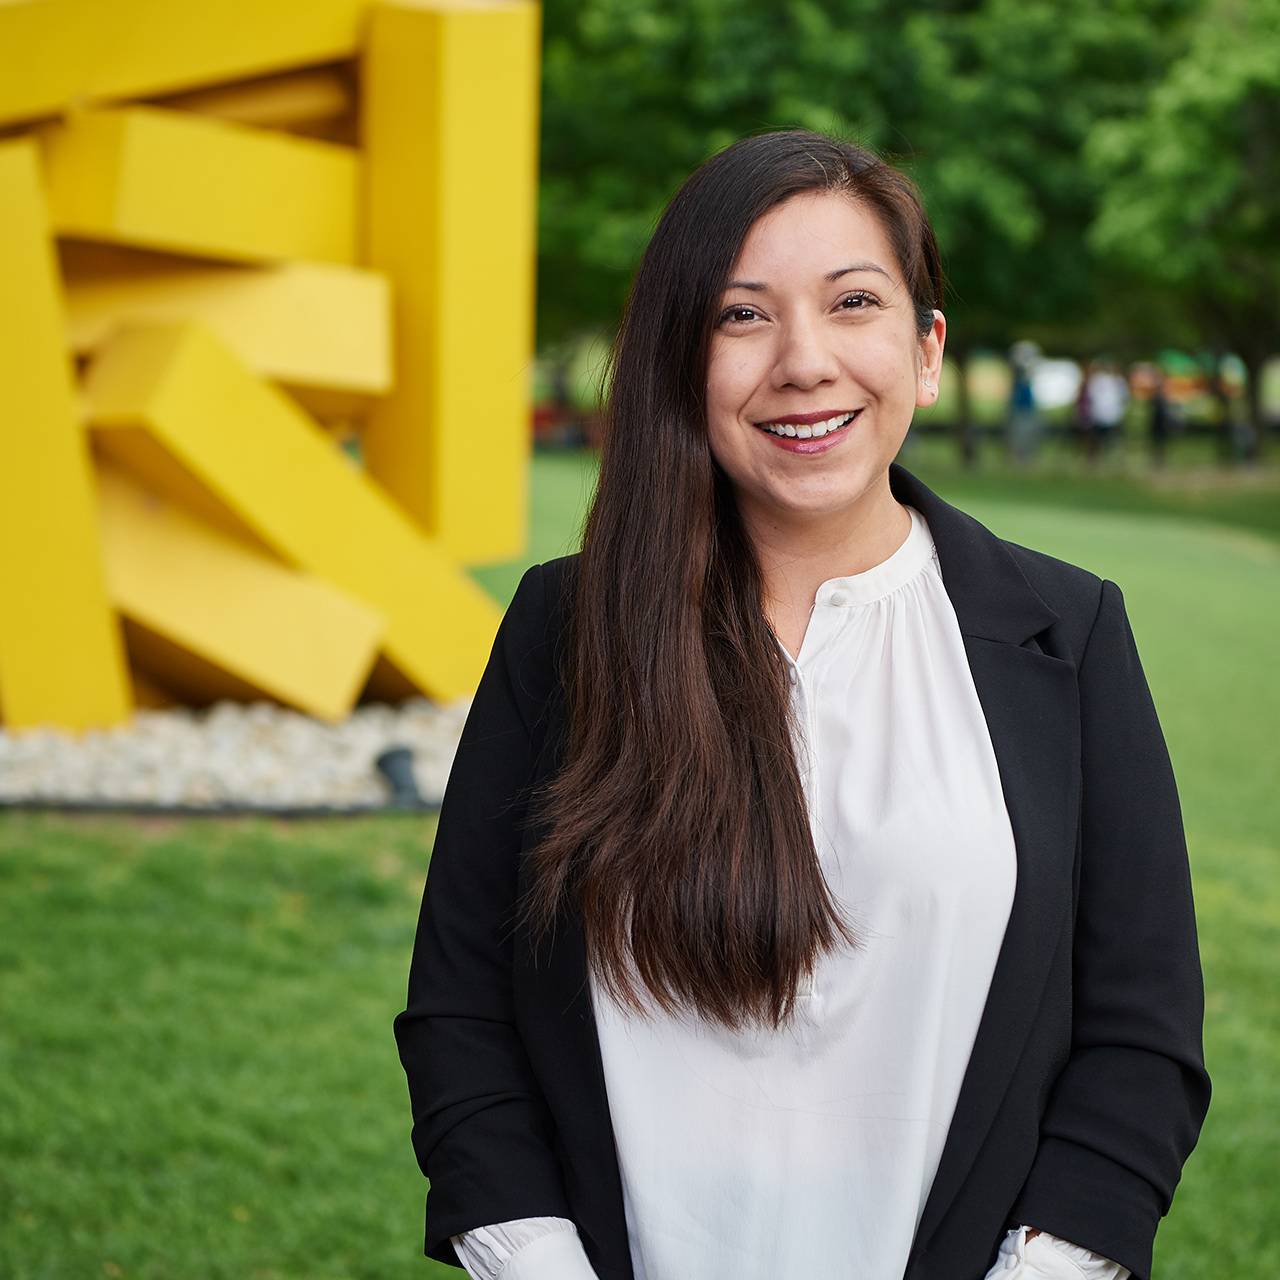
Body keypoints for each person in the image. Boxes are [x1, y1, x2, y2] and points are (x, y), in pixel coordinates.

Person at [396, 132, 1209, 1280]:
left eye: (853, 302)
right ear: (680, 361)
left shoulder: (1064, 636)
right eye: (741, 316)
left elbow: (1139, 1038)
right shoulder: (565, 630)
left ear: (925, 351)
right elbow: (463, 1009)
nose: (803, 361)